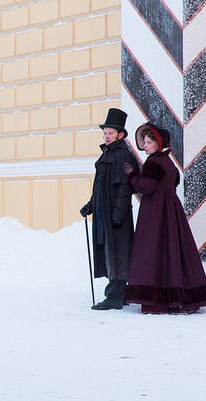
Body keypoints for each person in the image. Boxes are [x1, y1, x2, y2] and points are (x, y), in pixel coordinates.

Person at [121, 123, 206, 314]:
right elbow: (174, 181)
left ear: (159, 144)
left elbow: (145, 188)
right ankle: (182, 297)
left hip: (156, 212)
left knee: (153, 252)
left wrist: (132, 176)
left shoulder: (153, 162)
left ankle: (157, 300)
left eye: (149, 142)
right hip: (172, 210)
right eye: (144, 142)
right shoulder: (169, 162)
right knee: (174, 251)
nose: (145, 145)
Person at [80, 108, 139, 310]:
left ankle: (114, 296)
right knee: (110, 250)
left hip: (115, 214)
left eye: (110, 133)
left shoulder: (123, 156)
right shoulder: (106, 154)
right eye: (105, 133)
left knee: (118, 251)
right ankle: (120, 293)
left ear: (120, 135)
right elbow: (99, 185)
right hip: (104, 212)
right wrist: (90, 205)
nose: (106, 136)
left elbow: (125, 189)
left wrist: (117, 215)